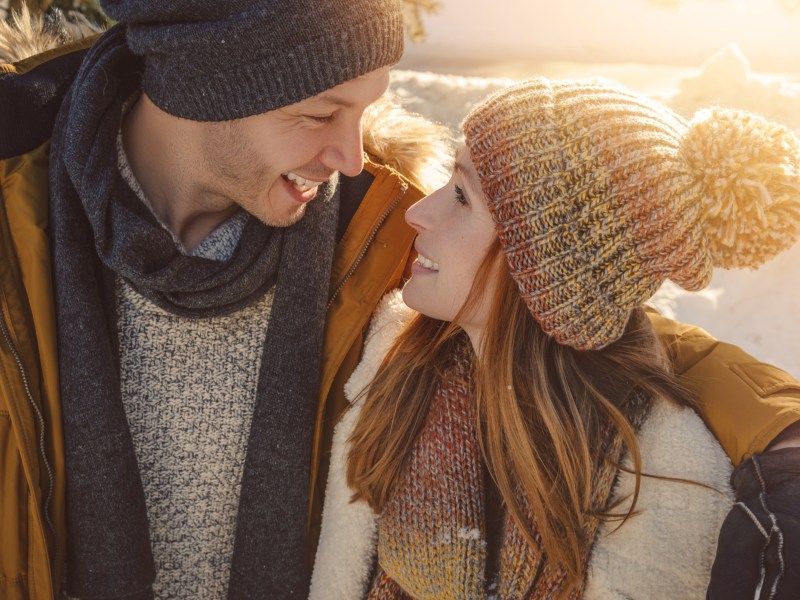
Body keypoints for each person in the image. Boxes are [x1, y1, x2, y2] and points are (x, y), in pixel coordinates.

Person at [1, 4, 799, 600]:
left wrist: (779, 435)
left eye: (368, 108)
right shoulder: (18, 226)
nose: (353, 156)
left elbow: (573, 303)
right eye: (320, 114)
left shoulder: (383, 228)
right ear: (211, 90)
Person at [310, 78, 800, 599]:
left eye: (460, 196)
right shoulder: (385, 362)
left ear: (545, 272)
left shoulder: (656, 487)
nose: (418, 212)